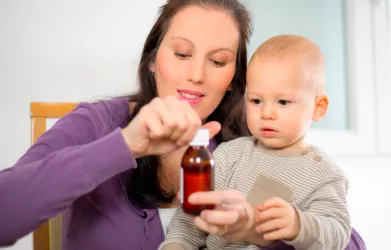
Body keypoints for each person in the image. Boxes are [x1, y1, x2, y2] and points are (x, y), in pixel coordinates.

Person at [0, 1, 365, 249]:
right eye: (182, 54)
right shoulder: (97, 123)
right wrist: (124, 145)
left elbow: (348, 240)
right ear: (152, 60)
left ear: (235, 79)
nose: (196, 75)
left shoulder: (254, 143)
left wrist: (261, 231)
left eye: (218, 61)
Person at [159, 35, 365, 250]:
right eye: (256, 101)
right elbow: (190, 220)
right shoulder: (229, 154)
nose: (266, 113)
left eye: (283, 102)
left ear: (318, 107)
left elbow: (338, 232)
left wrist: (298, 225)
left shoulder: (324, 175)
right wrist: (175, 245)